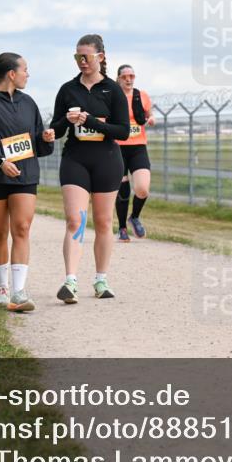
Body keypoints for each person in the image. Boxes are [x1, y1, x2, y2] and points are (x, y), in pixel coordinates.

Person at [0, 52, 55, 312]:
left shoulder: (29, 103)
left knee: (22, 228)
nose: (28, 75)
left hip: (25, 175)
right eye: (25, 70)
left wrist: (46, 139)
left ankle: (18, 291)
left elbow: (36, 144)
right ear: (11, 74)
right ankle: (2, 288)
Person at [49, 34, 130, 302]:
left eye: (86, 57)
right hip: (76, 158)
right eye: (77, 57)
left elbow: (123, 131)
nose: (82, 62)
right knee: (76, 220)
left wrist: (92, 121)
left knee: (104, 222)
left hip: (107, 158)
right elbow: (56, 128)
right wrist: (62, 123)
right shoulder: (67, 89)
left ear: (101, 57)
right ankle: (70, 281)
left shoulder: (112, 89)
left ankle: (101, 280)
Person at [114, 64, 155, 241]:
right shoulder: (112, 97)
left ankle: (135, 216)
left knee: (143, 188)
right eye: (125, 76)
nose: (129, 79)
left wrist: (151, 118)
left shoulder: (142, 96)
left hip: (138, 147)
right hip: (118, 147)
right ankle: (122, 228)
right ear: (118, 79)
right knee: (123, 190)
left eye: (132, 76)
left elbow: (148, 114)